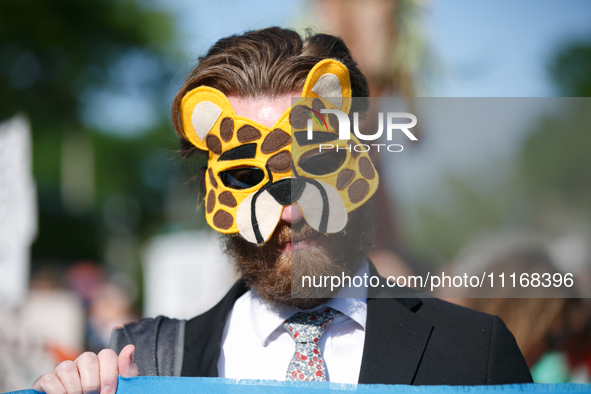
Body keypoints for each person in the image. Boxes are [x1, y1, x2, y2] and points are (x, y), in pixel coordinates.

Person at [32, 27, 532, 394]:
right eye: (247, 178)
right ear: (210, 194)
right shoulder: (143, 364)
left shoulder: (473, 354)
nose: (290, 213)